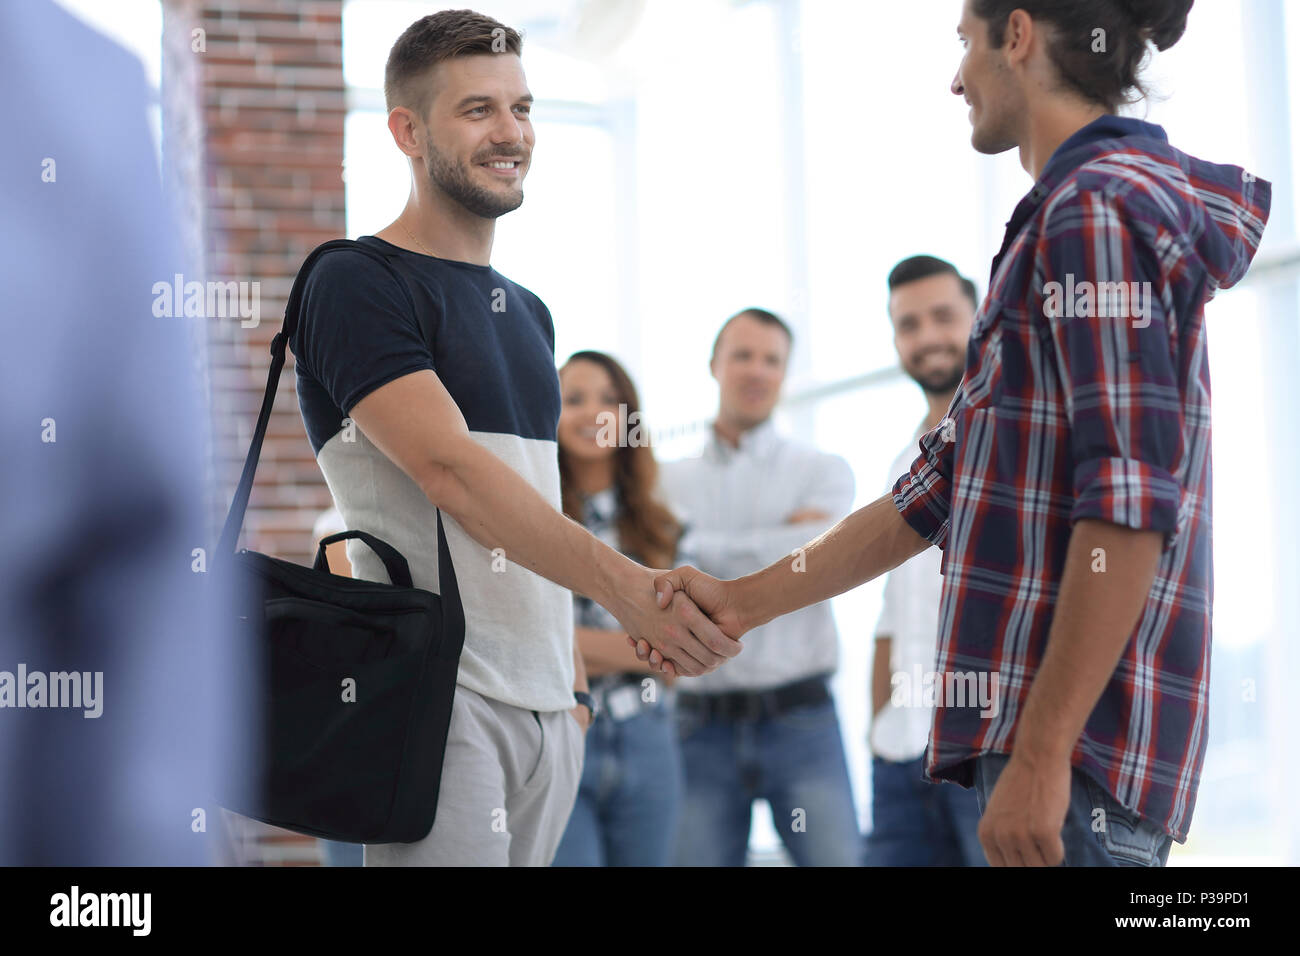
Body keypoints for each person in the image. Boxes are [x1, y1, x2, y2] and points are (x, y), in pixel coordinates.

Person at [643, 0, 1272, 867]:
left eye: (963, 44)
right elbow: (929, 493)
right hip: (1053, 755)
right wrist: (740, 602)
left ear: (1016, 36)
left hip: (1077, 762)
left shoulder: (1091, 210)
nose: (955, 77)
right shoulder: (1058, 220)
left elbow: (1127, 513)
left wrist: (1045, 755)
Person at [288, 9, 737, 868]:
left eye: (523, 107)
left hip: (547, 708)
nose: (511, 132)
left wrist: (566, 681)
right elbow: (451, 473)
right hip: (437, 697)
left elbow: (529, 499)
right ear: (407, 132)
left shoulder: (528, 312)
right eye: (478, 110)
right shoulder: (353, 281)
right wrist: (634, 591)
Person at [658, 309, 859, 867]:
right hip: (698, 727)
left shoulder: (826, 469)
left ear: (785, 373)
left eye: (772, 360)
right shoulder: (661, 480)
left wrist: (695, 546)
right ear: (714, 365)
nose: (756, 371)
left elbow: (818, 566)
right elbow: (657, 574)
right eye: (742, 355)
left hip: (803, 719)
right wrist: (785, 542)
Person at [865, 256, 983, 867]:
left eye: (943, 316)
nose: (927, 336)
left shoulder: (1011, 435)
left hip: (986, 753)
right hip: (901, 754)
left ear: (979, 315)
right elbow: (893, 616)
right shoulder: (902, 462)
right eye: (908, 324)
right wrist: (876, 725)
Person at [551, 352, 684, 867]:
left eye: (609, 400)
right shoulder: (526, 527)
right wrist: (647, 645)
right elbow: (533, 642)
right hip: (562, 736)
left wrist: (577, 648)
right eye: (574, 399)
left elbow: (681, 654)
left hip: (650, 741)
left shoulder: (664, 526)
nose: (592, 413)